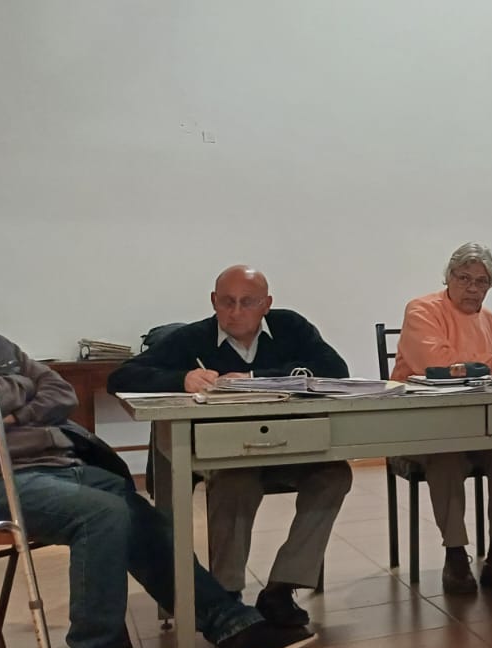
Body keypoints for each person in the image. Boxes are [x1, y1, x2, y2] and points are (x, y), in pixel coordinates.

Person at [0, 259, 316, 648]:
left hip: (57, 464)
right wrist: (17, 388)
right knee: (102, 514)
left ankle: (230, 625)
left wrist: (3, 409)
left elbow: (60, 392)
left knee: (136, 510)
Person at [108, 265, 352, 627]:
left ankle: (283, 587)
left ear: (267, 304)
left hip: (289, 446)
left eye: (247, 302)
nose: (236, 312)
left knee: (334, 475)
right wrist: (182, 378)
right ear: (213, 302)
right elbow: (121, 376)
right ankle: (227, 595)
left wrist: (256, 379)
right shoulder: (192, 338)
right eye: (227, 302)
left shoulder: (291, 327)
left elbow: (336, 370)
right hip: (223, 452)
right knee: (236, 480)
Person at [390, 242, 492, 596]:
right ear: (448, 277)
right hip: (421, 427)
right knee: (447, 451)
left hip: (477, 424)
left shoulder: (489, 320)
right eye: (464, 278)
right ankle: (455, 555)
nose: (472, 288)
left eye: (481, 281)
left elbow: (489, 376)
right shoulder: (421, 309)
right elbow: (437, 366)